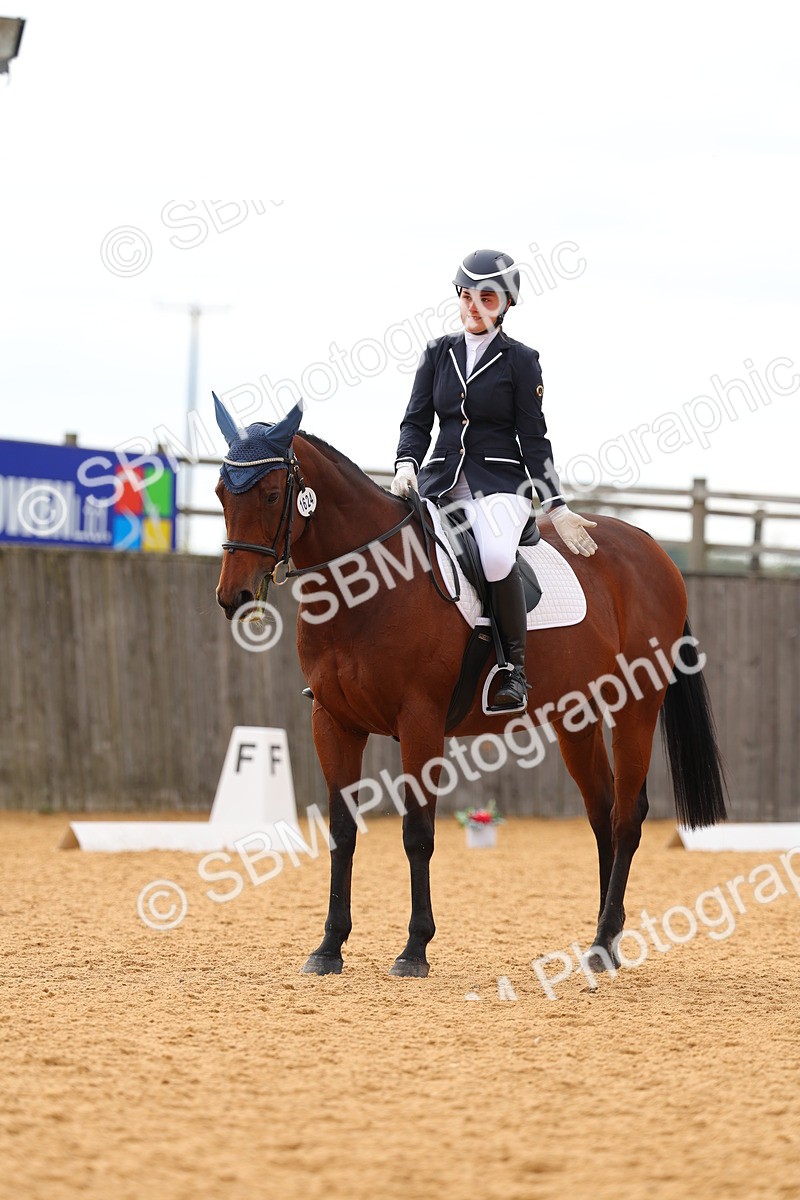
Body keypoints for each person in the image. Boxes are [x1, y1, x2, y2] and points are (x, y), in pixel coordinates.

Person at [391, 248, 598, 710]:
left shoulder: (521, 361)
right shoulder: (437, 354)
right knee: (395, 549)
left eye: (486, 297)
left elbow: (534, 438)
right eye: (466, 296)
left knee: (497, 557)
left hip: (499, 485)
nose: (473, 306)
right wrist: (406, 463)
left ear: (506, 304)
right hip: (440, 480)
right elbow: (416, 422)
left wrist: (557, 508)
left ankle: (512, 669)